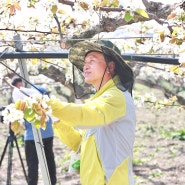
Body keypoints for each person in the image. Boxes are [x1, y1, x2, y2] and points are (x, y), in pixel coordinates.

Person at [47, 40, 136, 185]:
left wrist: (51, 105)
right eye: (85, 62)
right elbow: (79, 143)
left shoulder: (116, 96)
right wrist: (57, 119)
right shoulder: (100, 100)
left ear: (110, 66)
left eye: (92, 61)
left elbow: (87, 114)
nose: (85, 66)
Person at [11, 77, 57, 185]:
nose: (20, 89)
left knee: (34, 164)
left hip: (34, 136)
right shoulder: (40, 89)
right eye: (18, 87)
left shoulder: (31, 92)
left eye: (20, 86)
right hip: (46, 133)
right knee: (47, 162)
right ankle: (51, 183)